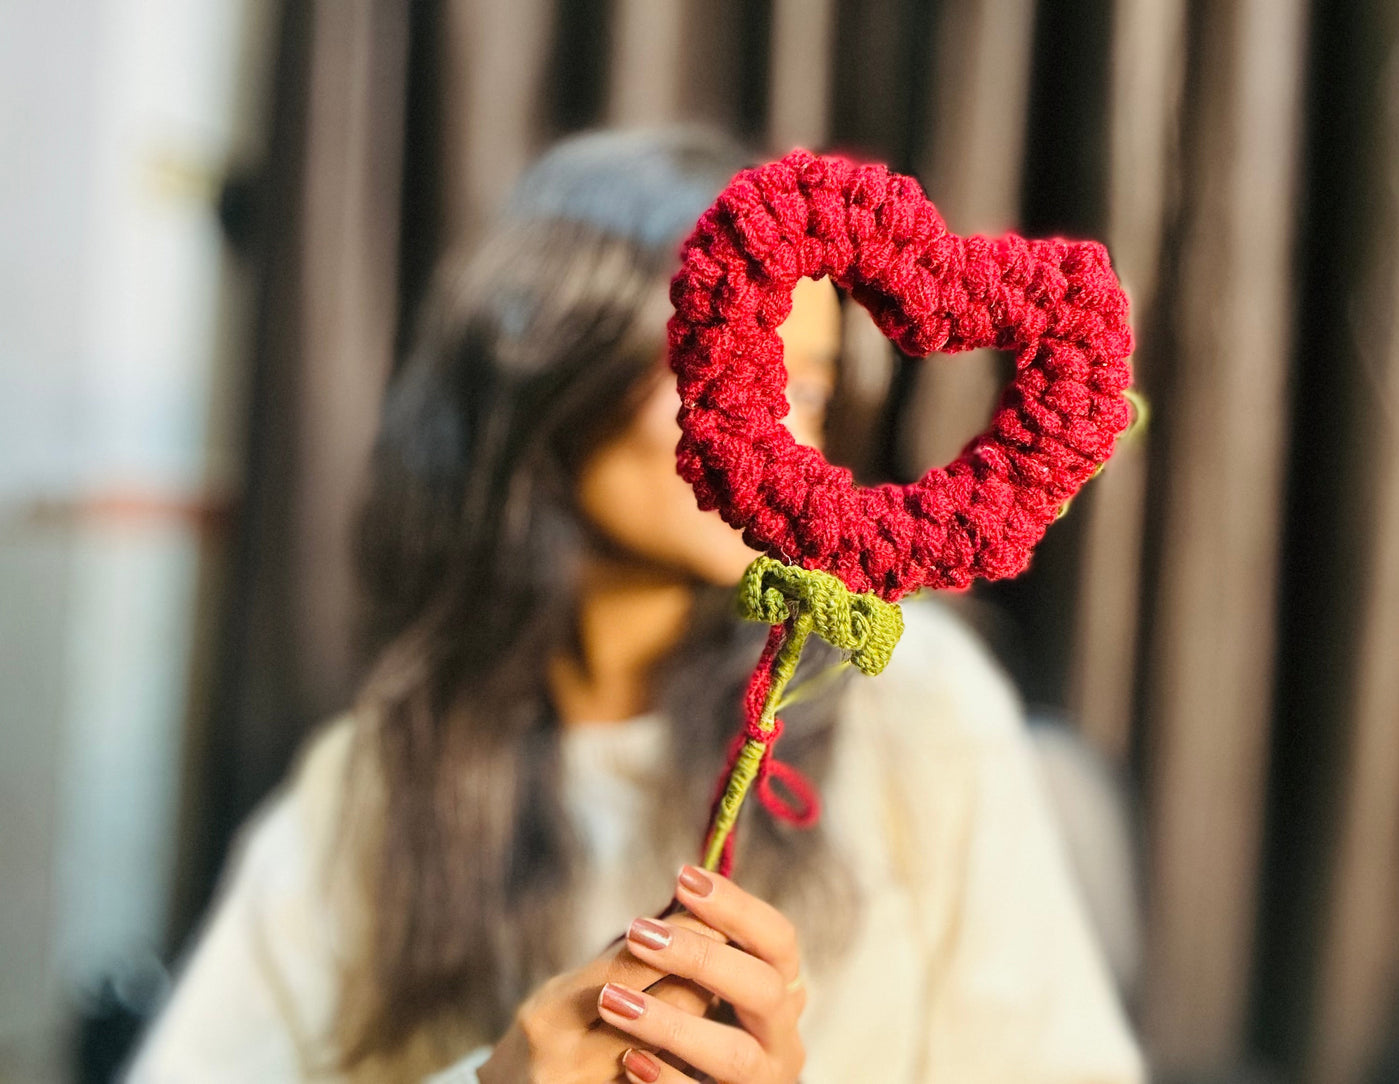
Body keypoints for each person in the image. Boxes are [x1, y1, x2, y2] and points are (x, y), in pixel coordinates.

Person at [126, 127, 1144, 1083]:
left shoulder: (904, 699)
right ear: (555, 373)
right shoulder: (382, 776)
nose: (785, 426)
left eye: (816, 387)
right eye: (734, 360)